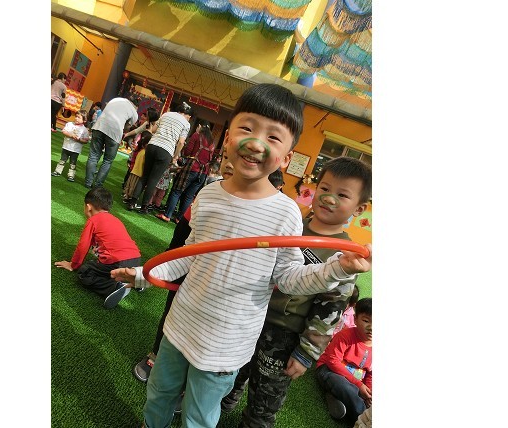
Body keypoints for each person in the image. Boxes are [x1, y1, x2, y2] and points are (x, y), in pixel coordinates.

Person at [111, 84, 372, 428]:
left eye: (273, 137)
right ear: (228, 136)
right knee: (160, 392)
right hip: (181, 323)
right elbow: (189, 254)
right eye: (247, 128)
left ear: (286, 158)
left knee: (199, 414)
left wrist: (336, 268)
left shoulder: (285, 214)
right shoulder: (208, 195)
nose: (256, 143)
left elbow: (289, 279)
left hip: (227, 343)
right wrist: (144, 274)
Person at [223, 156, 372, 428]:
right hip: (249, 316)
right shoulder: (291, 225)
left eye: (342, 195)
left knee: (265, 399)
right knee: (230, 372)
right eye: (325, 188)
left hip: (284, 335)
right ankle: (223, 403)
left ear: (359, 208)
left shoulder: (345, 255)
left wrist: (306, 351)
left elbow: (331, 310)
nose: (329, 198)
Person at [132, 148, 235, 386]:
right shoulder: (210, 191)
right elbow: (180, 242)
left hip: (216, 277)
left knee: (206, 320)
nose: (229, 165)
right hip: (187, 254)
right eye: (226, 158)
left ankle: (189, 369)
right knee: (173, 307)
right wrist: (160, 270)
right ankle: (157, 354)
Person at [54, 187, 142, 309]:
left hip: (117, 261)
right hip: (136, 259)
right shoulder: (115, 219)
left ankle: (113, 287)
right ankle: (135, 279)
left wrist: (73, 265)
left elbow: (82, 246)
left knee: (85, 272)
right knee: (106, 267)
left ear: (88, 207)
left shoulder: (93, 220)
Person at [125, 101, 193, 214]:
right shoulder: (186, 124)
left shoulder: (166, 114)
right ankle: (144, 207)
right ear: (188, 115)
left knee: (144, 175)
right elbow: (181, 142)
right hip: (166, 150)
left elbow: (154, 130)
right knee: (153, 179)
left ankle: (132, 202)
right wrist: (175, 156)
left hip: (152, 145)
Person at [315, 297, 372, 424]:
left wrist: (369, 392)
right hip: (329, 370)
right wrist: (359, 385)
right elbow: (332, 361)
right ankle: (362, 420)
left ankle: (335, 398)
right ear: (355, 319)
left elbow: (371, 373)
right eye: (366, 321)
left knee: (362, 395)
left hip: (355, 382)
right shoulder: (345, 335)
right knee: (345, 387)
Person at [156, 119, 215, 223]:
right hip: (203, 172)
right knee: (189, 196)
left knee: (177, 191)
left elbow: (188, 152)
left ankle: (167, 215)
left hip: (192, 168)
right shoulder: (212, 142)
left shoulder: (197, 135)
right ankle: (179, 218)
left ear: (199, 126)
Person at [85, 97, 138, 189]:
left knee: (93, 156)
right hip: (114, 133)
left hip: (99, 127)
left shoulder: (116, 99)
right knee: (107, 160)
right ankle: (98, 185)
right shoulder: (134, 112)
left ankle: (88, 182)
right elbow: (126, 128)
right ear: (136, 106)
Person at [51, 110, 90, 182]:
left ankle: (71, 175)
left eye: (79, 117)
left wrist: (79, 139)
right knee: (62, 160)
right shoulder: (69, 124)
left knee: (73, 163)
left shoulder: (84, 130)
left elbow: (86, 140)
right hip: (66, 147)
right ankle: (57, 171)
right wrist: (71, 135)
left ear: (84, 120)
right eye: (76, 116)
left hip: (75, 150)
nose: (76, 118)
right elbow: (64, 131)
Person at [123, 131, 152, 202]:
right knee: (134, 186)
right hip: (139, 173)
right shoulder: (145, 153)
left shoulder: (139, 151)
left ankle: (126, 196)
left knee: (130, 185)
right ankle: (129, 198)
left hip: (134, 171)